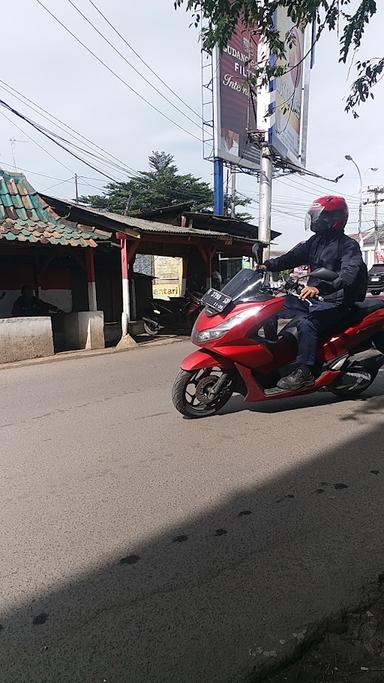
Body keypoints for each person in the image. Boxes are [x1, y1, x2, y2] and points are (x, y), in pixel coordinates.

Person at [260, 196, 366, 391]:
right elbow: (290, 258)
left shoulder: (348, 246)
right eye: (315, 217)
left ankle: (305, 371)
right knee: (267, 308)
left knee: (307, 323)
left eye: (320, 217)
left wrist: (321, 288)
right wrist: (266, 265)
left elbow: (348, 275)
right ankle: (272, 356)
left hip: (336, 301)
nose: (316, 221)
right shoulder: (314, 242)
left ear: (334, 218)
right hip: (313, 298)